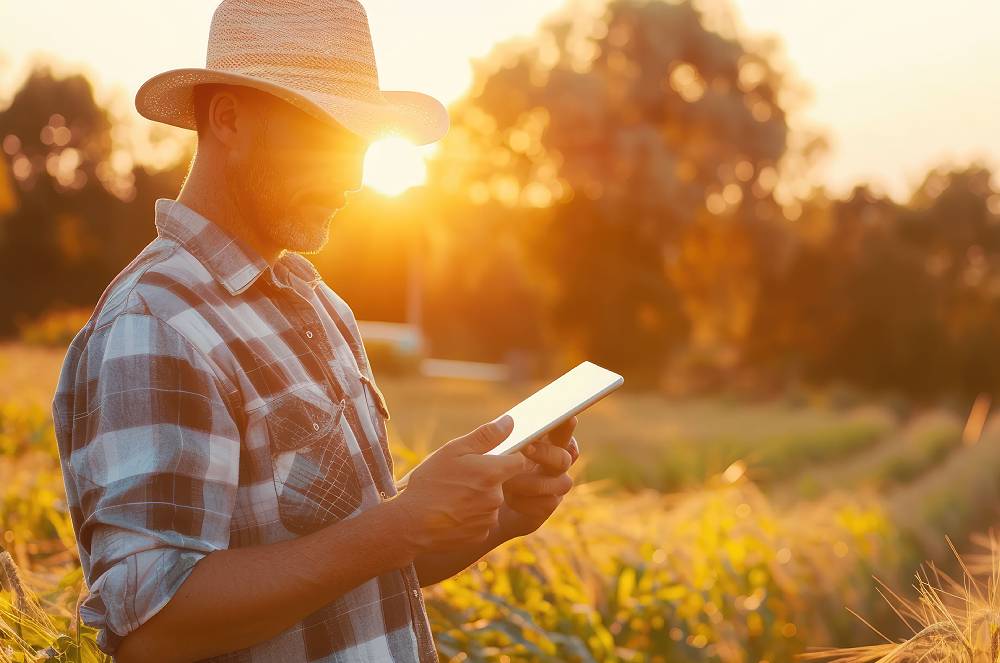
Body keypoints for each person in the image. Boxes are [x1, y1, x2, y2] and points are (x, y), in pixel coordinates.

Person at [49, 1, 579, 661]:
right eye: (330, 136)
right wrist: (398, 525)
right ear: (230, 119)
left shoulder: (319, 304)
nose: (355, 175)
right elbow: (155, 626)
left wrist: (497, 517)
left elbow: (349, 567)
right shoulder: (154, 323)